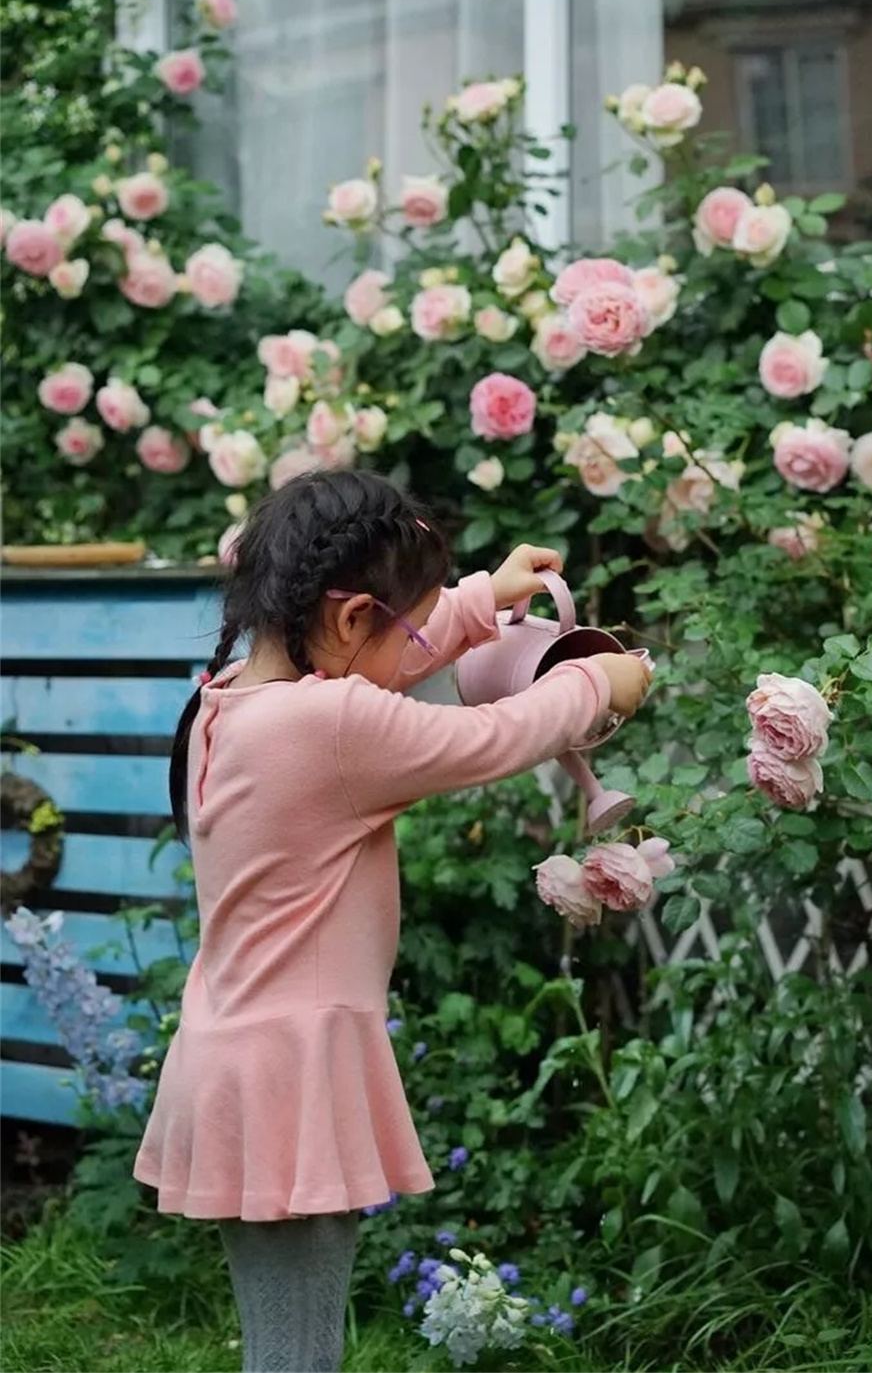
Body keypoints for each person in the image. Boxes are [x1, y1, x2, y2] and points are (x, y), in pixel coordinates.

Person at [134, 469, 651, 1373]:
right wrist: (597, 683)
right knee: (297, 1354)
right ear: (347, 616)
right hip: (293, 1071)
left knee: (287, 1335)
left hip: (238, 1053)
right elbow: (490, 738)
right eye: (408, 623)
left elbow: (380, 659)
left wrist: (479, 600)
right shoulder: (330, 725)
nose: (417, 648)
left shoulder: (233, 696)